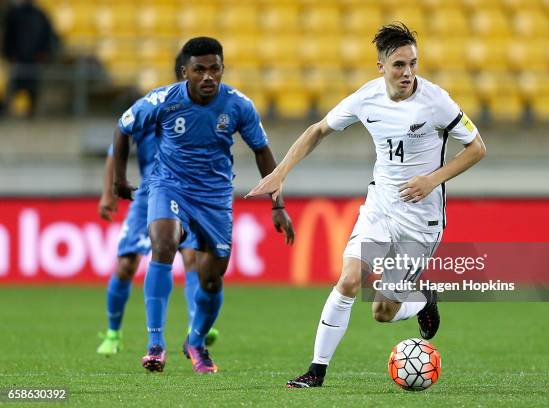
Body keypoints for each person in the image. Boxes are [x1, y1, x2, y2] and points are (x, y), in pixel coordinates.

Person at [247, 23, 486, 388]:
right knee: (349, 280)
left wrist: (431, 179)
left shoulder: (437, 100)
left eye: (413, 63)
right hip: (380, 208)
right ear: (381, 66)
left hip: (421, 221)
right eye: (398, 65)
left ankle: (422, 300)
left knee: (382, 311)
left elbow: (477, 148)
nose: (407, 73)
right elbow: (317, 130)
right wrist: (281, 173)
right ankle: (316, 370)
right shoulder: (366, 98)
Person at [113, 37, 294, 374]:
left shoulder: (238, 105)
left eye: (215, 69)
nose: (208, 76)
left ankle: (195, 341)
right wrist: (118, 181)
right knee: (162, 243)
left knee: (212, 279)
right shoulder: (163, 100)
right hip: (169, 185)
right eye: (200, 70)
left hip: (214, 197)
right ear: (186, 72)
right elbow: (123, 128)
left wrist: (277, 204)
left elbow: (262, 152)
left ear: (222, 69)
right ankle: (155, 344)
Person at [96, 53, 218, 356]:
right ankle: (113, 333)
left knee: (192, 258)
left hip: (185, 195)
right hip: (148, 196)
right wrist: (109, 193)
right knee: (126, 266)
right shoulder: (147, 113)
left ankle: (195, 329)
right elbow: (116, 150)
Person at [1, 0, 56, 117]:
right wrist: (10, 54)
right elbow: (8, 36)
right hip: (18, 60)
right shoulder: (14, 13)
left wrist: (43, 54)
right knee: (13, 87)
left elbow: (47, 36)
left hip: (34, 60)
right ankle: (6, 113)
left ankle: (32, 113)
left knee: (33, 90)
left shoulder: (41, 14)